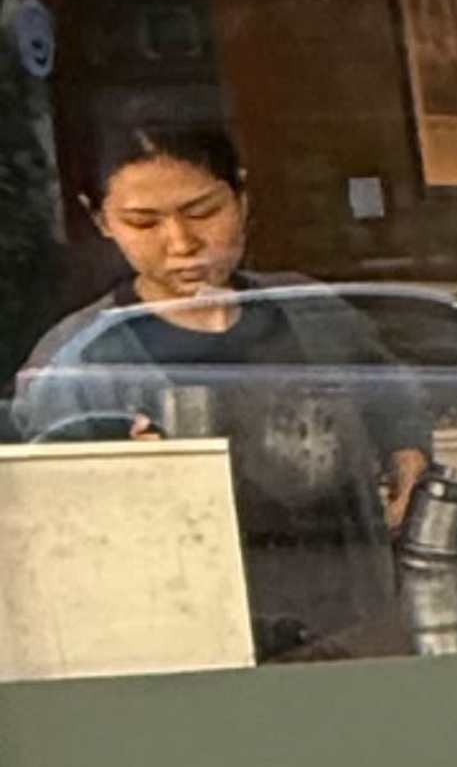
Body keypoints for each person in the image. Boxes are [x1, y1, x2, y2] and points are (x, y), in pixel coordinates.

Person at [12, 116, 430, 657]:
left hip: (354, 626)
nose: (182, 242)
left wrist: (409, 452)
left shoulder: (312, 314)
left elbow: (393, 397)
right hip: (190, 641)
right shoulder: (82, 363)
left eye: (204, 212)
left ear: (242, 196)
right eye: (144, 222)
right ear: (101, 222)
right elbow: (53, 534)